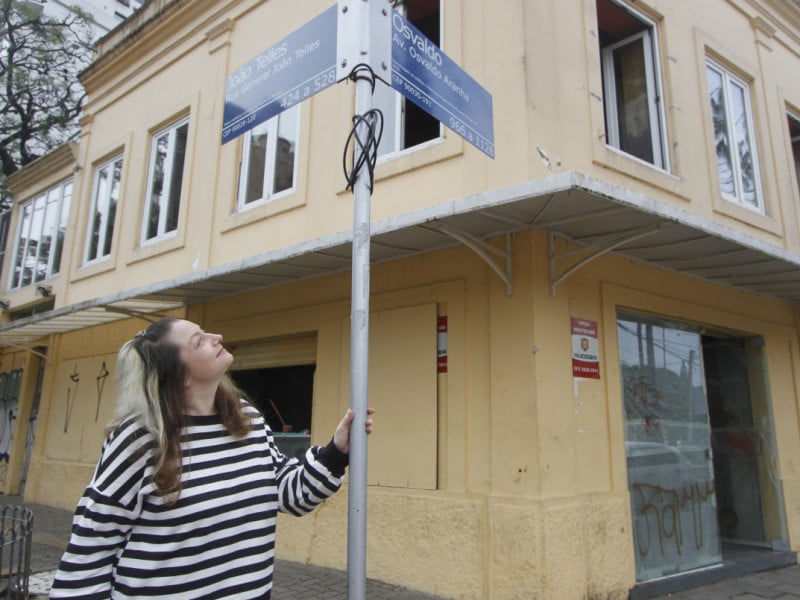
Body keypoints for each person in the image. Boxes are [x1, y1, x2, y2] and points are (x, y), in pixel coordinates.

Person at [49, 317, 373, 599]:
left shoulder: (246, 419)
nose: (216, 337)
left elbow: (289, 493)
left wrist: (336, 452)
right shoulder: (140, 441)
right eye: (199, 341)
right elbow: (88, 554)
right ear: (181, 376)